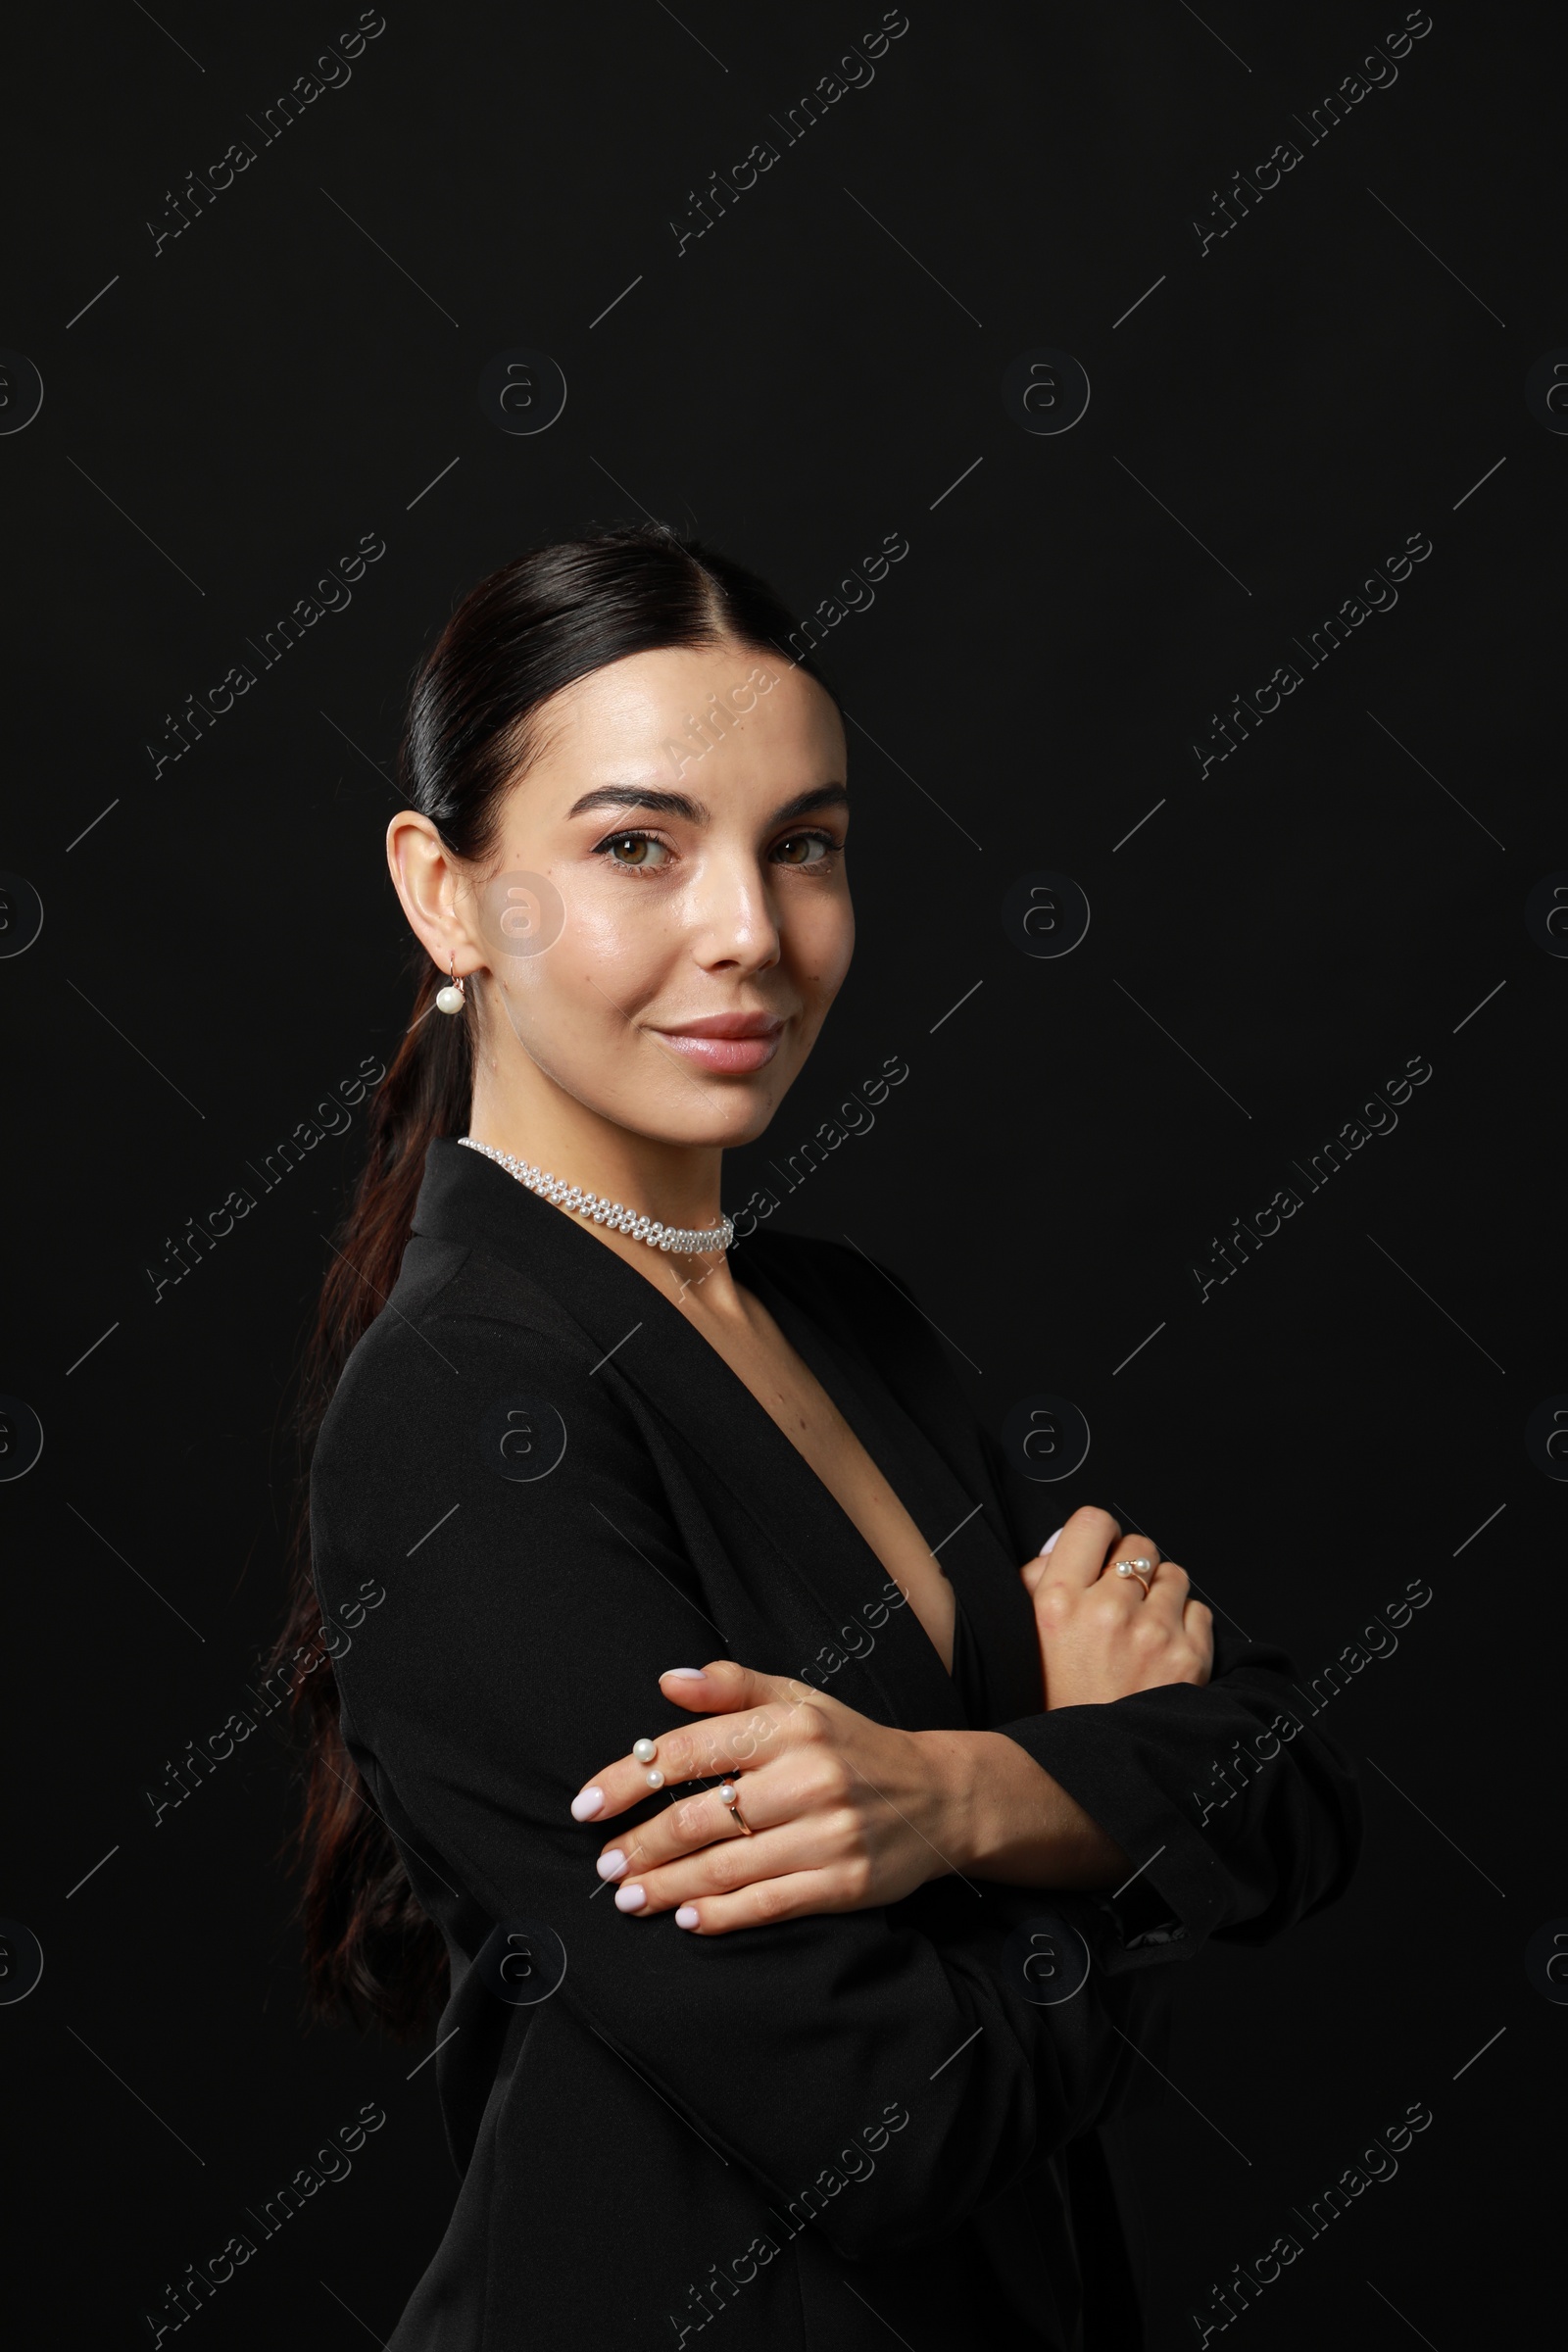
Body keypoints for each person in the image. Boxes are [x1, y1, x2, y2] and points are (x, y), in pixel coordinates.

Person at [280, 525, 1359, 2349]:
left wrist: (967, 1795)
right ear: (445, 894)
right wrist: (1108, 1807)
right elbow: (895, 2118)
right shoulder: (470, 1412)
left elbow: (1295, 1791)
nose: (754, 936)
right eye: (638, 845)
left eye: (807, 847)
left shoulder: (846, 1316)